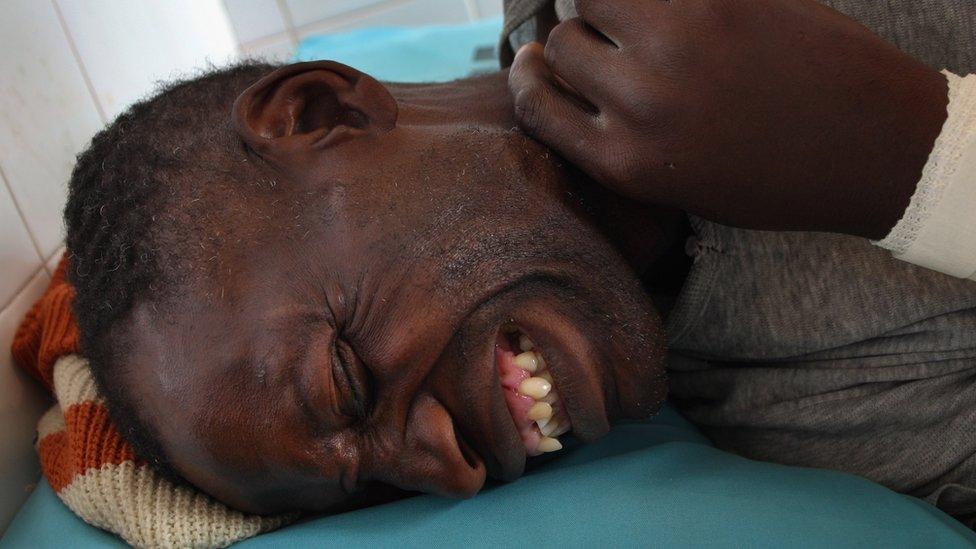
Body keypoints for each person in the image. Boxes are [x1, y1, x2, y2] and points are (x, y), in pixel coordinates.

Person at [61, 1, 975, 527]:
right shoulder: (828, 426)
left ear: (318, 112)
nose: (448, 468)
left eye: (345, 381)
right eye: (380, 486)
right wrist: (918, 160)